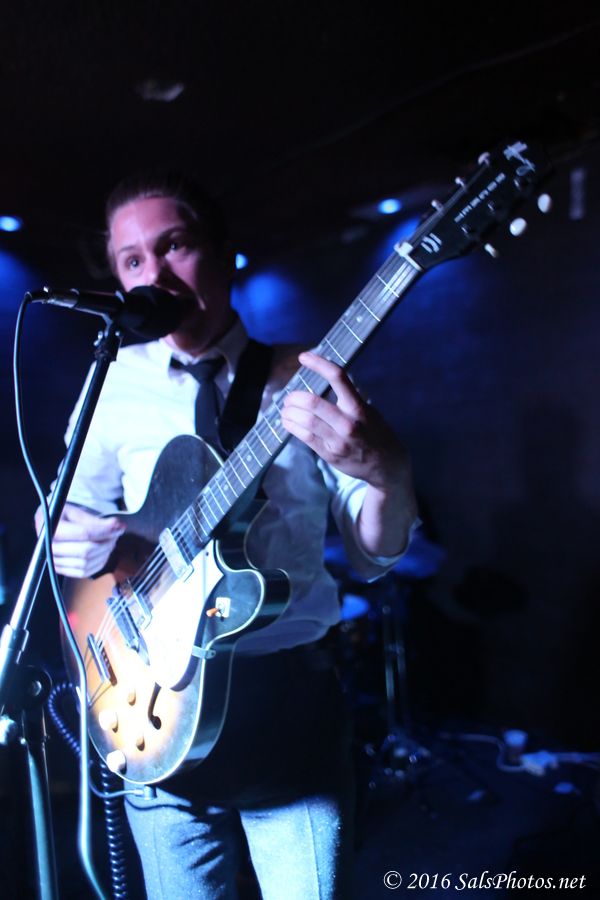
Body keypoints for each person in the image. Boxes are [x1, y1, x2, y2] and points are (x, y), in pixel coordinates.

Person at [45, 171, 419, 899]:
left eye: (174, 246)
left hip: (288, 716)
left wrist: (388, 471)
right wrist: (73, 536)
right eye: (131, 260)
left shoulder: (305, 376)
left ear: (223, 253)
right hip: (156, 704)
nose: (154, 274)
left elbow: (375, 553)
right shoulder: (112, 383)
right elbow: (63, 515)